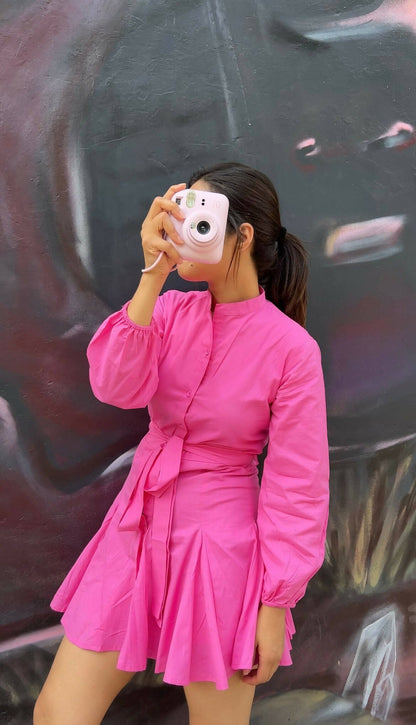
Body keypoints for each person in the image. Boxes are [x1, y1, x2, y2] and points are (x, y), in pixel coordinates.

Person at [34, 162, 330, 725]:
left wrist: (274, 606)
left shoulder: (291, 350)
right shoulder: (168, 311)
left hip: (221, 549)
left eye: (200, 215)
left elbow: (298, 487)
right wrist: (153, 273)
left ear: (241, 235)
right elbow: (115, 387)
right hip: (136, 528)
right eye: (179, 212)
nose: (183, 226)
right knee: (58, 713)